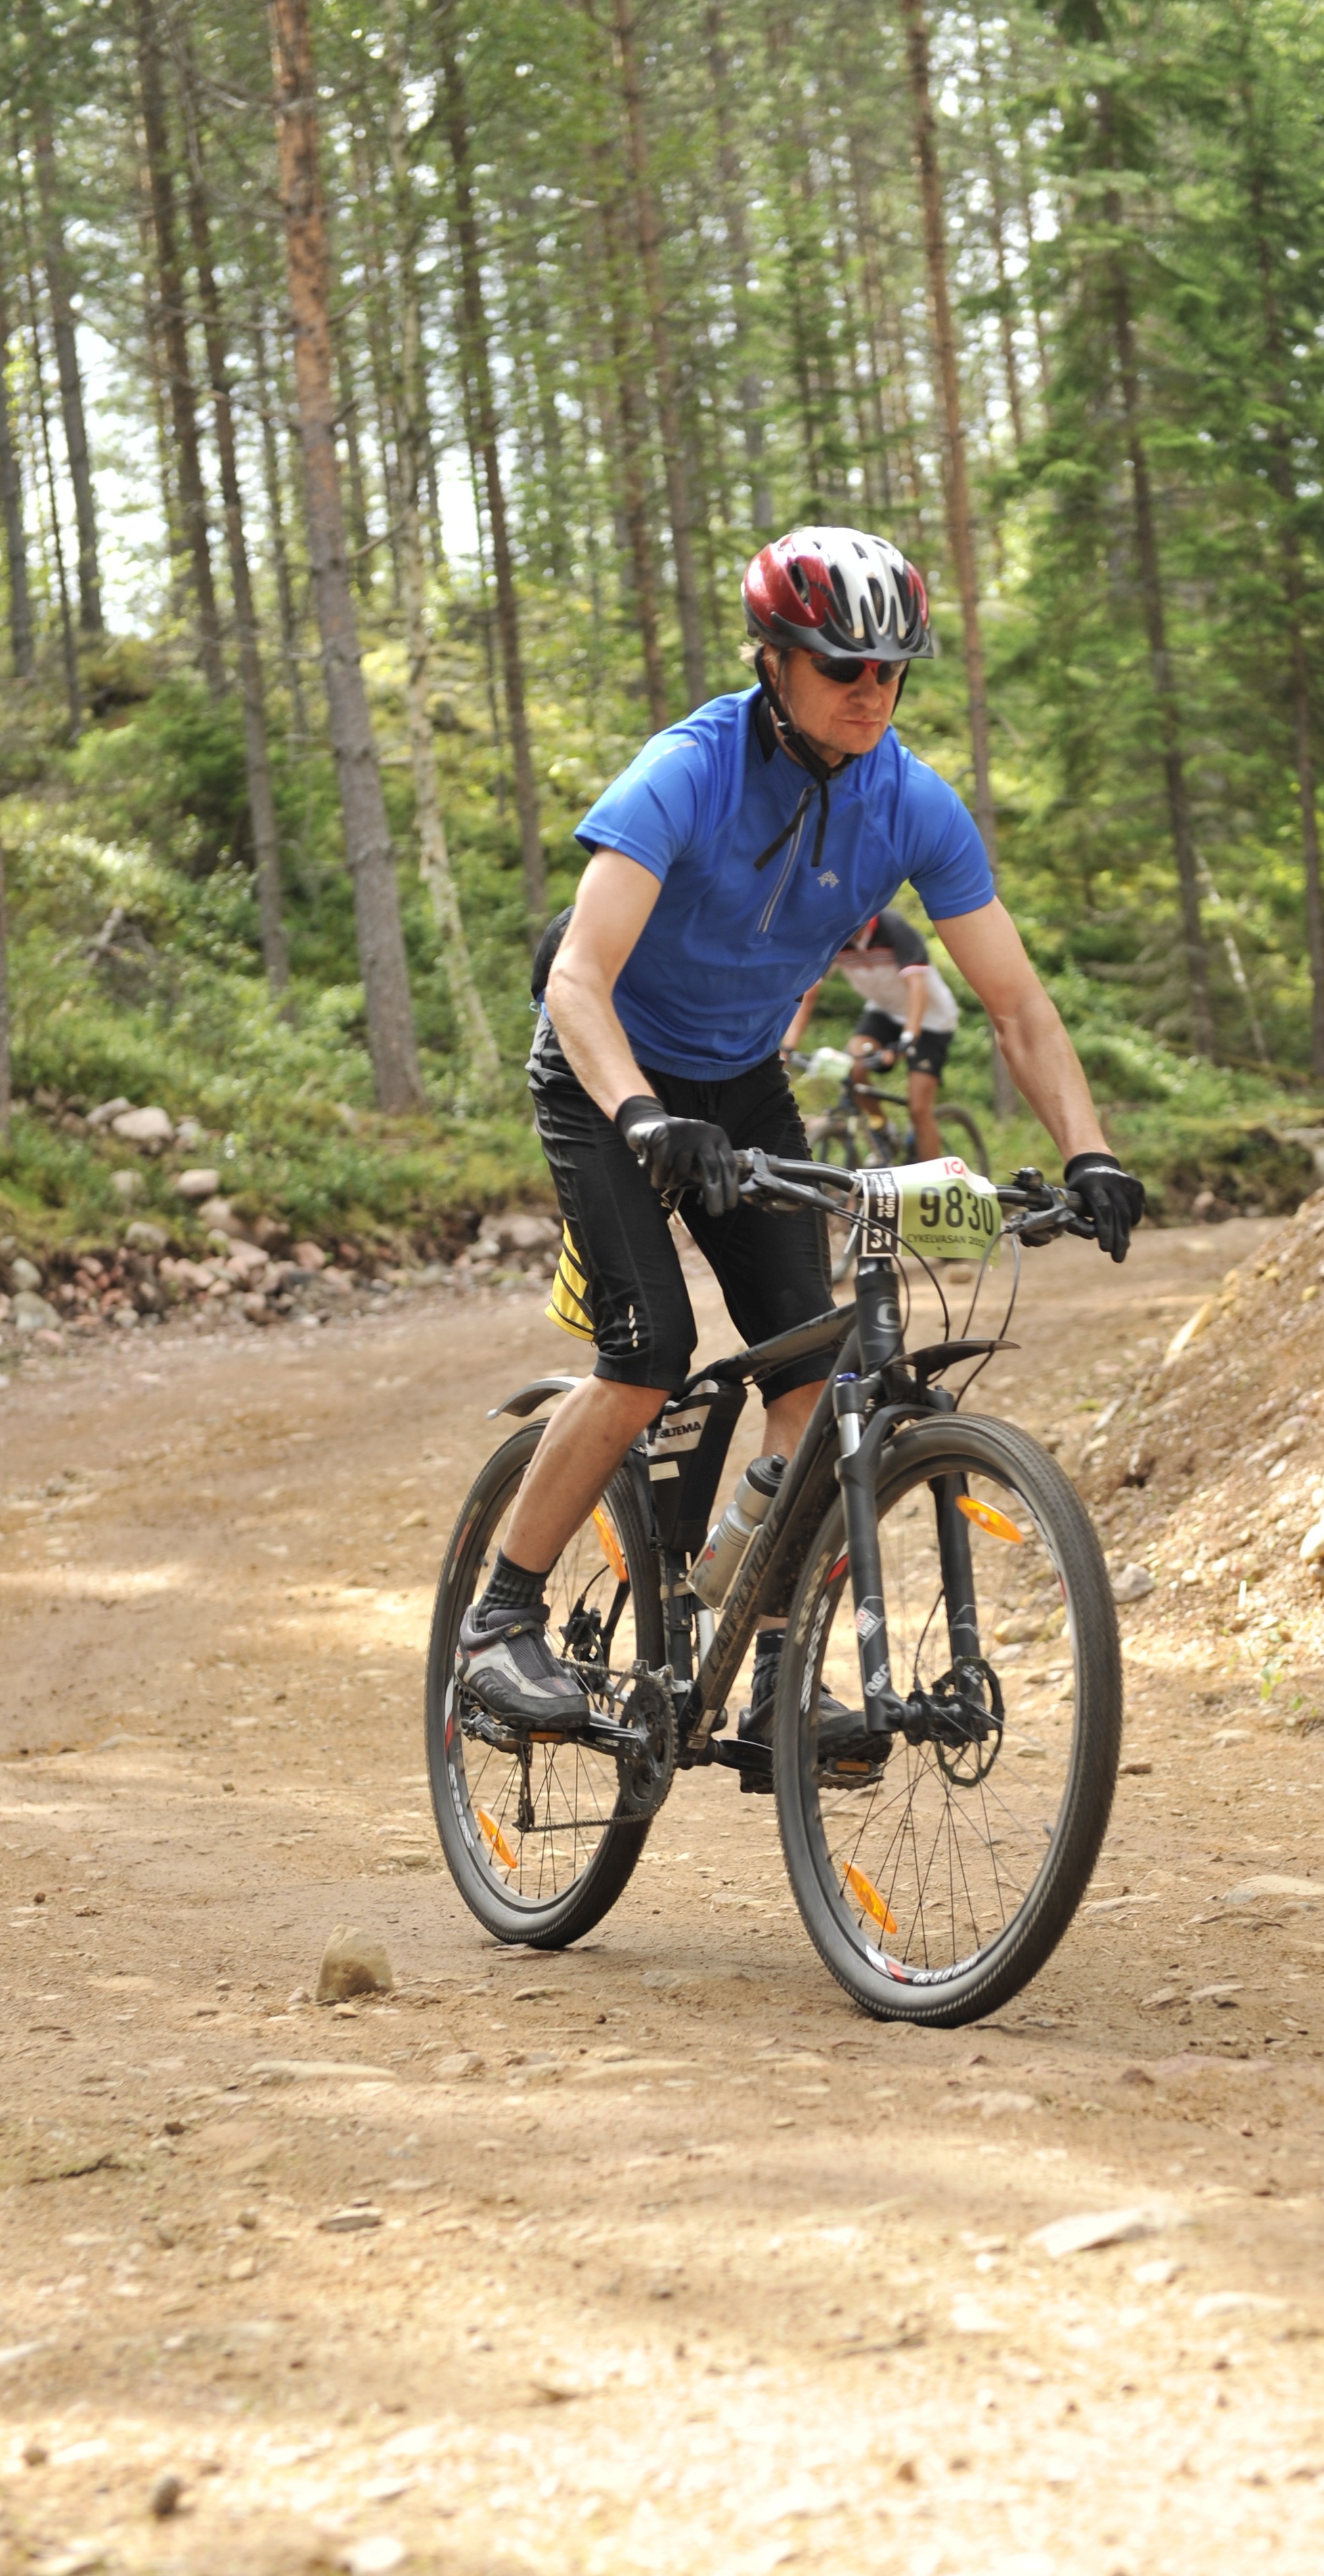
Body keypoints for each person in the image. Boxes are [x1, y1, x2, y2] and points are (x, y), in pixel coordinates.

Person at [459, 524, 1143, 1744]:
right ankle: (497, 1624)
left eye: (891, 672)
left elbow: (1017, 1007)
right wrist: (641, 1115)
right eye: (842, 668)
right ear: (772, 662)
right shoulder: (687, 771)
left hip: (740, 1081)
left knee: (814, 1377)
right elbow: (575, 979)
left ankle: (777, 1669)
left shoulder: (912, 804)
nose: (871, 692)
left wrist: (1089, 1151)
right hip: (608, 1071)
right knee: (646, 1354)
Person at [784, 905, 958, 1161]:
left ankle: (933, 1179)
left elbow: (917, 987)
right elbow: (809, 994)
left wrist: (908, 1040)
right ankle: (883, 1129)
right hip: (884, 1012)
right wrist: (787, 1048)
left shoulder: (892, 928)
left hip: (930, 1020)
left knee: (919, 1109)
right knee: (852, 1069)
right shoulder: (837, 937)